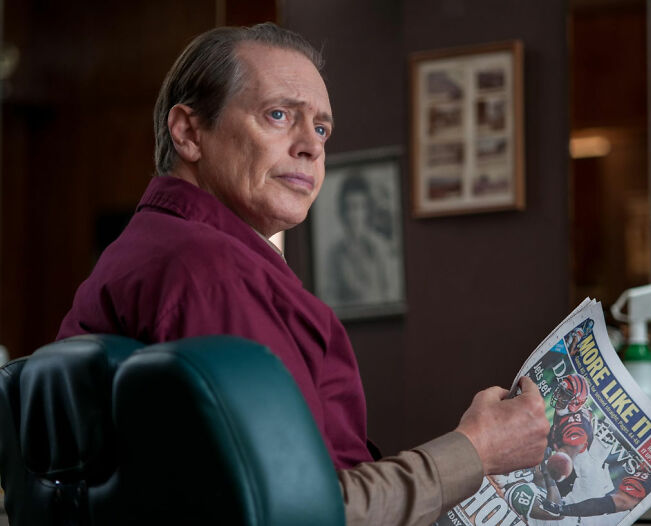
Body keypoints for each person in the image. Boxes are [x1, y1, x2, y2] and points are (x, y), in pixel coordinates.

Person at [57, 23, 549, 525]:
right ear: (188, 132)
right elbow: (298, 514)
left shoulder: (153, 250)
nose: (311, 147)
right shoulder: (211, 273)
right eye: (278, 115)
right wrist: (478, 449)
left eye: (320, 129)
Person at [325, 172, 390, 306]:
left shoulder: (380, 247)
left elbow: (389, 291)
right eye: (350, 207)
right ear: (343, 211)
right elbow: (331, 297)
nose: (355, 214)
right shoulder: (335, 254)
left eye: (360, 207)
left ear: (368, 210)